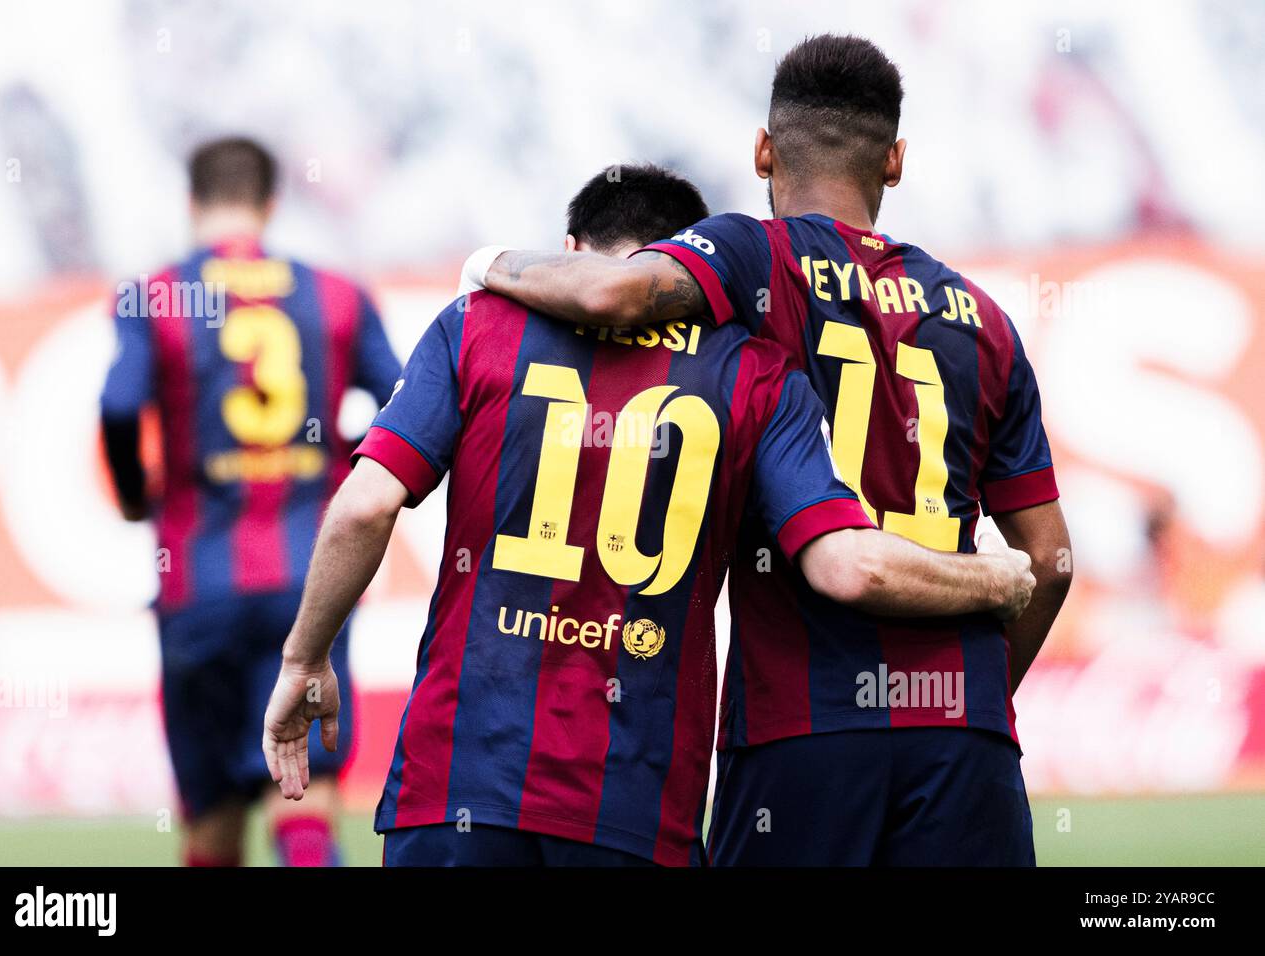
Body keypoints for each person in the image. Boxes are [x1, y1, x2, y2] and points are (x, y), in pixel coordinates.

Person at [262, 164, 1035, 867]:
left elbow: (365, 506)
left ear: (567, 251)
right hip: (632, 812)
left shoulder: (476, 326)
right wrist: (992, 579)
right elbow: (844, 561)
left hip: (456, 789)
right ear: (688, 264)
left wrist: (305, 658)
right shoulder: (755, 372)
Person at [464, 35, 1073, 866]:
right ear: (894, 162)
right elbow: (1053, 561)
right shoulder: (985, 319)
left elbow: (611, 292)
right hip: (965, 739)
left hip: (802, 727)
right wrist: (973, 700)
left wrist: (485, 262)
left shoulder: (757, 258)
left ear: (762, 150)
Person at [100, 136, 402, 867]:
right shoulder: (336, 294)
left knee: (212, 822)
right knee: (305, 799)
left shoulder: (157, 293)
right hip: (312, 581)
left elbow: (117, 402)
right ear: (270, 204)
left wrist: (137, 497)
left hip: (197, 584)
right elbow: (404, 398)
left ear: (192, 202)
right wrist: (346, 454)